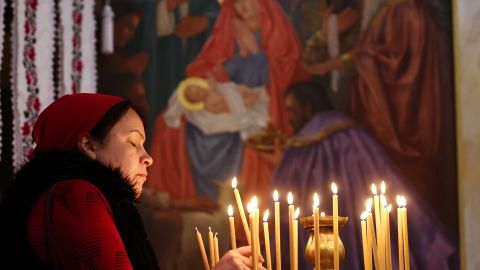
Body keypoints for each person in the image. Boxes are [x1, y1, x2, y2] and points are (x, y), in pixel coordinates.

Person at [0, 93, 265, 269]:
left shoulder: (78, 194)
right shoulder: (75, 195)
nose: (148, 158)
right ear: (88, 144)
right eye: (133, 142)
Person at [270, 82, 458, 270]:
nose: (290, 118)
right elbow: (385, 176)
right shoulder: (353, 134)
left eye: (292, 110)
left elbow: (285, 194)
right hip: (365, 230)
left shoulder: (301, 147)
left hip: (315, 239)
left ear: (307, 107)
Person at [149, 0, 308, 202]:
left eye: (247, 2)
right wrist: (214, 80)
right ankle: (182, 200)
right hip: (227, 95)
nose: (242, 8)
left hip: (265, 99)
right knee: (167, 123)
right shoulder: (230, 25)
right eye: (237, 3)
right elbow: (212, 62)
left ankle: (246, 213)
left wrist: (254, 51)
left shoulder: (277, 30)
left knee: (254, 132)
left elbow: (287, 72)